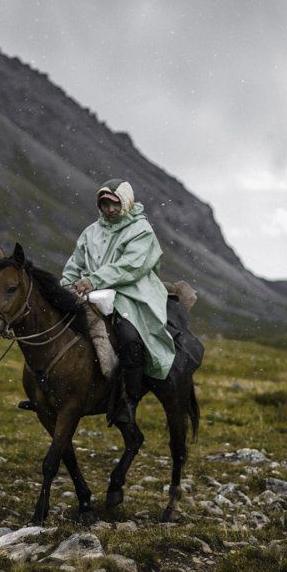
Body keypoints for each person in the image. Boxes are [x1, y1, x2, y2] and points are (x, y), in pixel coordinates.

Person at [61, 179, 176, 426]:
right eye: (105, 204)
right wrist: (66, 286)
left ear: (125, 202)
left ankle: (128, 401)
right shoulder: (91, 232)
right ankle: (54, 393)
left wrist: (94, 280)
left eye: (114, 204)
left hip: (132, 293)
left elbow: (131, 266)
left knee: (129, 338)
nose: (110, 210)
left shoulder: (141, 230)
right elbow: (75, 263)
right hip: (92, 293)